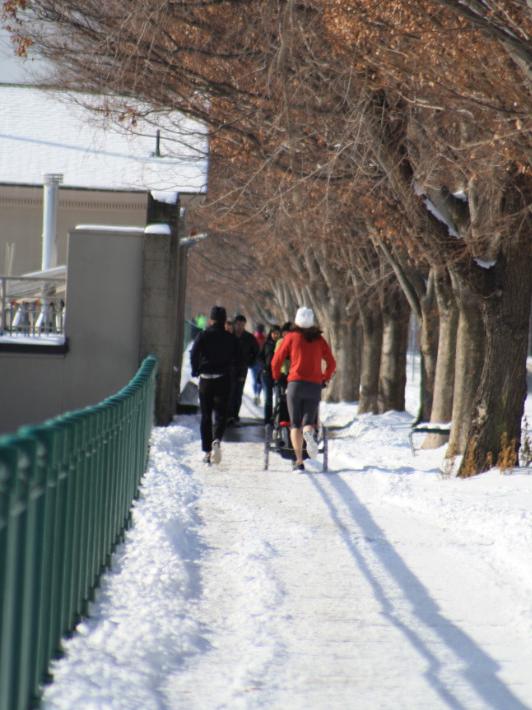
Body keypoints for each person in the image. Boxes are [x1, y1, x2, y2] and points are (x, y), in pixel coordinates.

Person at [271, 307, 336, 471]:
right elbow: (331, 363)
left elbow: (276, 361)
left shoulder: (291, 337)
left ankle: (299, 461)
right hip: (314, 386)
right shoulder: (319, 340)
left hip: (295, 384)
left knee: (295, 424)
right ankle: (309, 435)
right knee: (308, 422)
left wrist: (276, 376)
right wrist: (324, 377)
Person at [190, 306, 238, 464]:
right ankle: (216, 439)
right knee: (221, 414)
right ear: (224, 320)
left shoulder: (203, 335)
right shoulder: (229, 338)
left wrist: (195, 369)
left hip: (205, 380)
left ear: (211, 320)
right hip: (222, 379)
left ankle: (207, 452)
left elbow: (194, 352)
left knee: (205, 416)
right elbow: (237, 356)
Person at [228, 313, 259, 424]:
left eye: (242, 324)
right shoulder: (229, 336)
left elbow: (256, 352)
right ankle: (229, 415)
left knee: (238, 392)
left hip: (242, 368)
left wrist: (250, 362)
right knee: (229, 391)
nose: (240, 326)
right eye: (238, 324)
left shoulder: (249, 338)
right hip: (229, 368)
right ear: (235, 324)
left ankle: (235, 415)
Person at [258, 324, 281, 423]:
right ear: (270, 333)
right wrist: (264, 366)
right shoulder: (266, 344)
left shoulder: (281, 344)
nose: (275, 335)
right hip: (266, 374)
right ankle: (267, 418)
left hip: (278, 374)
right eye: (274, 333)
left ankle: (278, 417)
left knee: (279, 397)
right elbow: (260, 357)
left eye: (277, 333)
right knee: (268, 397)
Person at [251, 323, 266, 405]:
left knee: (254, 379)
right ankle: (258, 394)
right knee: (260, 380)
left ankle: (255, 394)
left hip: (254, 362)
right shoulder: (264, 339)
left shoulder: (253, 337)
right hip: (261, 362)